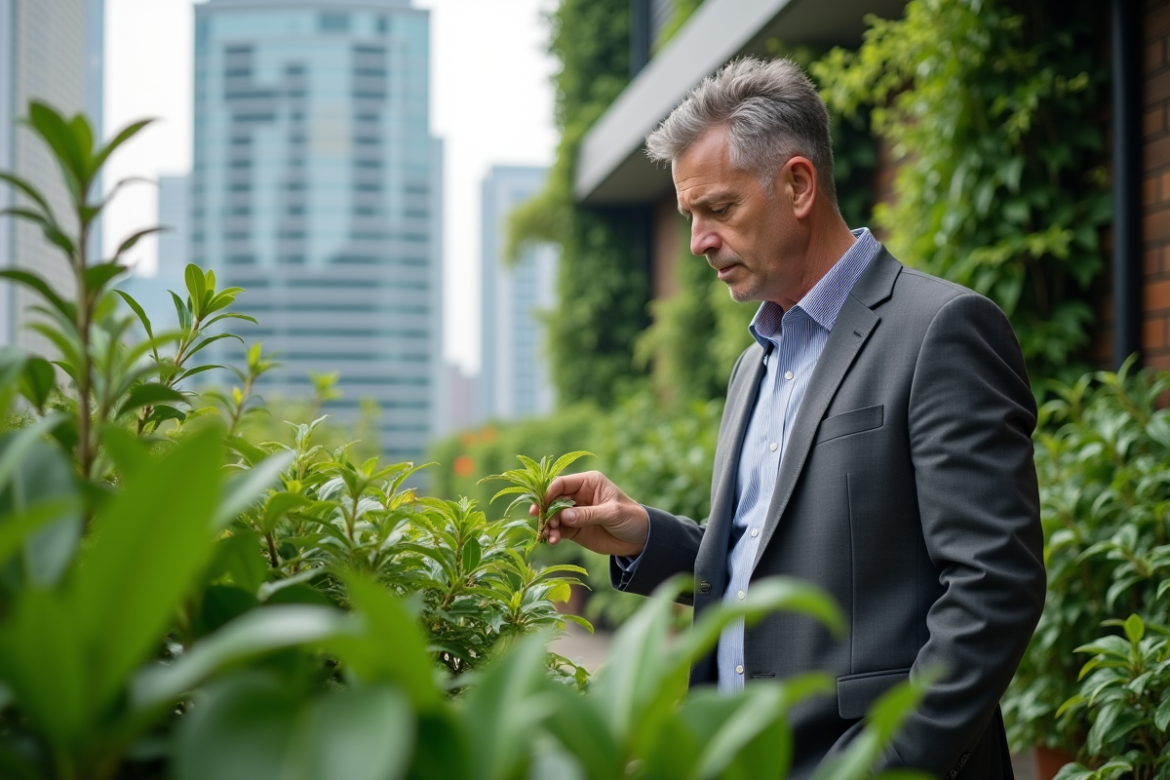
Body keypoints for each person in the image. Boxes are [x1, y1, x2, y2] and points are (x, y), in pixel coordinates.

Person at [543, 58, 1045, 779]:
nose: (698, 241)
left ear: (799, 185)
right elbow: (773, 558)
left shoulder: (941, 330)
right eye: (689, 218)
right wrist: (646, 534)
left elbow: (993, 591)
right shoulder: (753, 367)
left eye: (719, 209)